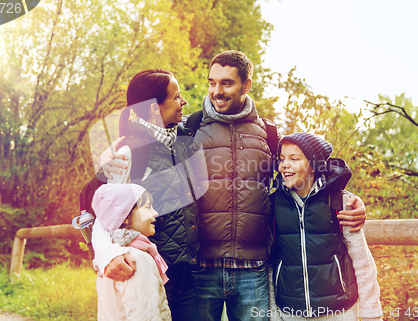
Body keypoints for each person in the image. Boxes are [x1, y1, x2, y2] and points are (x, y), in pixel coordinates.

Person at [99, 51, 367, 321]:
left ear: (246, 85)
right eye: (212, 83)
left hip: (254, 270)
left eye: (226, 83)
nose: (217, 91)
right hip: (199, 270)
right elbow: (109, 190)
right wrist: (108, 158)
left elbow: (305, 172)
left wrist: (347, 198)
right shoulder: (185, 130)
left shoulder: (269, 134)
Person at [92, 69, 204, 321]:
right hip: (152, 274)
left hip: (187, 275)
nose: (183, 101)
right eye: (176, 96)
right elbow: (104, 218)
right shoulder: (129, 152)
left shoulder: (180, 140)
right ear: (155, 107)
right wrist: (107, 255)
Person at [268, 133, 382, 321]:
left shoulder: (340, 202)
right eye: (281, 159)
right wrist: (273, 314)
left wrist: (371, 314)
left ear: (314, 165)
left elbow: (363, 262)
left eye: (294, 159)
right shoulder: (273, 206)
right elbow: (270, 265)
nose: (284, 165)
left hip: (339, 312)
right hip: (290, 313)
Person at [93, 183, 172, 321]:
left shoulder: (110, 257)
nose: (155, 213)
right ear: (125, 217)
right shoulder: (136, 259)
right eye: (147, 207)